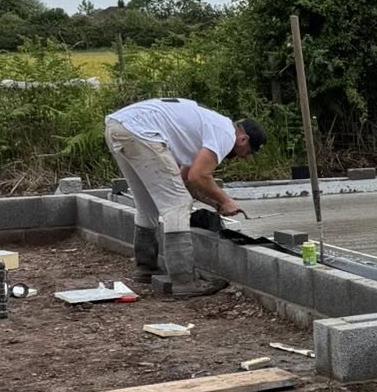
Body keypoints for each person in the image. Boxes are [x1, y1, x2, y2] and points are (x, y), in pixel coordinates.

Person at [103, 97, 265, 297]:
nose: (243, 157)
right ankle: (184, 281)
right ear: (243, 139)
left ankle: (146, 268)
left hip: (119, 126)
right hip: (140, 132)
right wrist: (226, 200)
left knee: (147, 204)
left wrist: (214, 203)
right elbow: (199, 176)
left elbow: (186, 179)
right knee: (178, 205)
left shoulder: (208, 126)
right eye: (247, 153)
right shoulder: (225, 134)